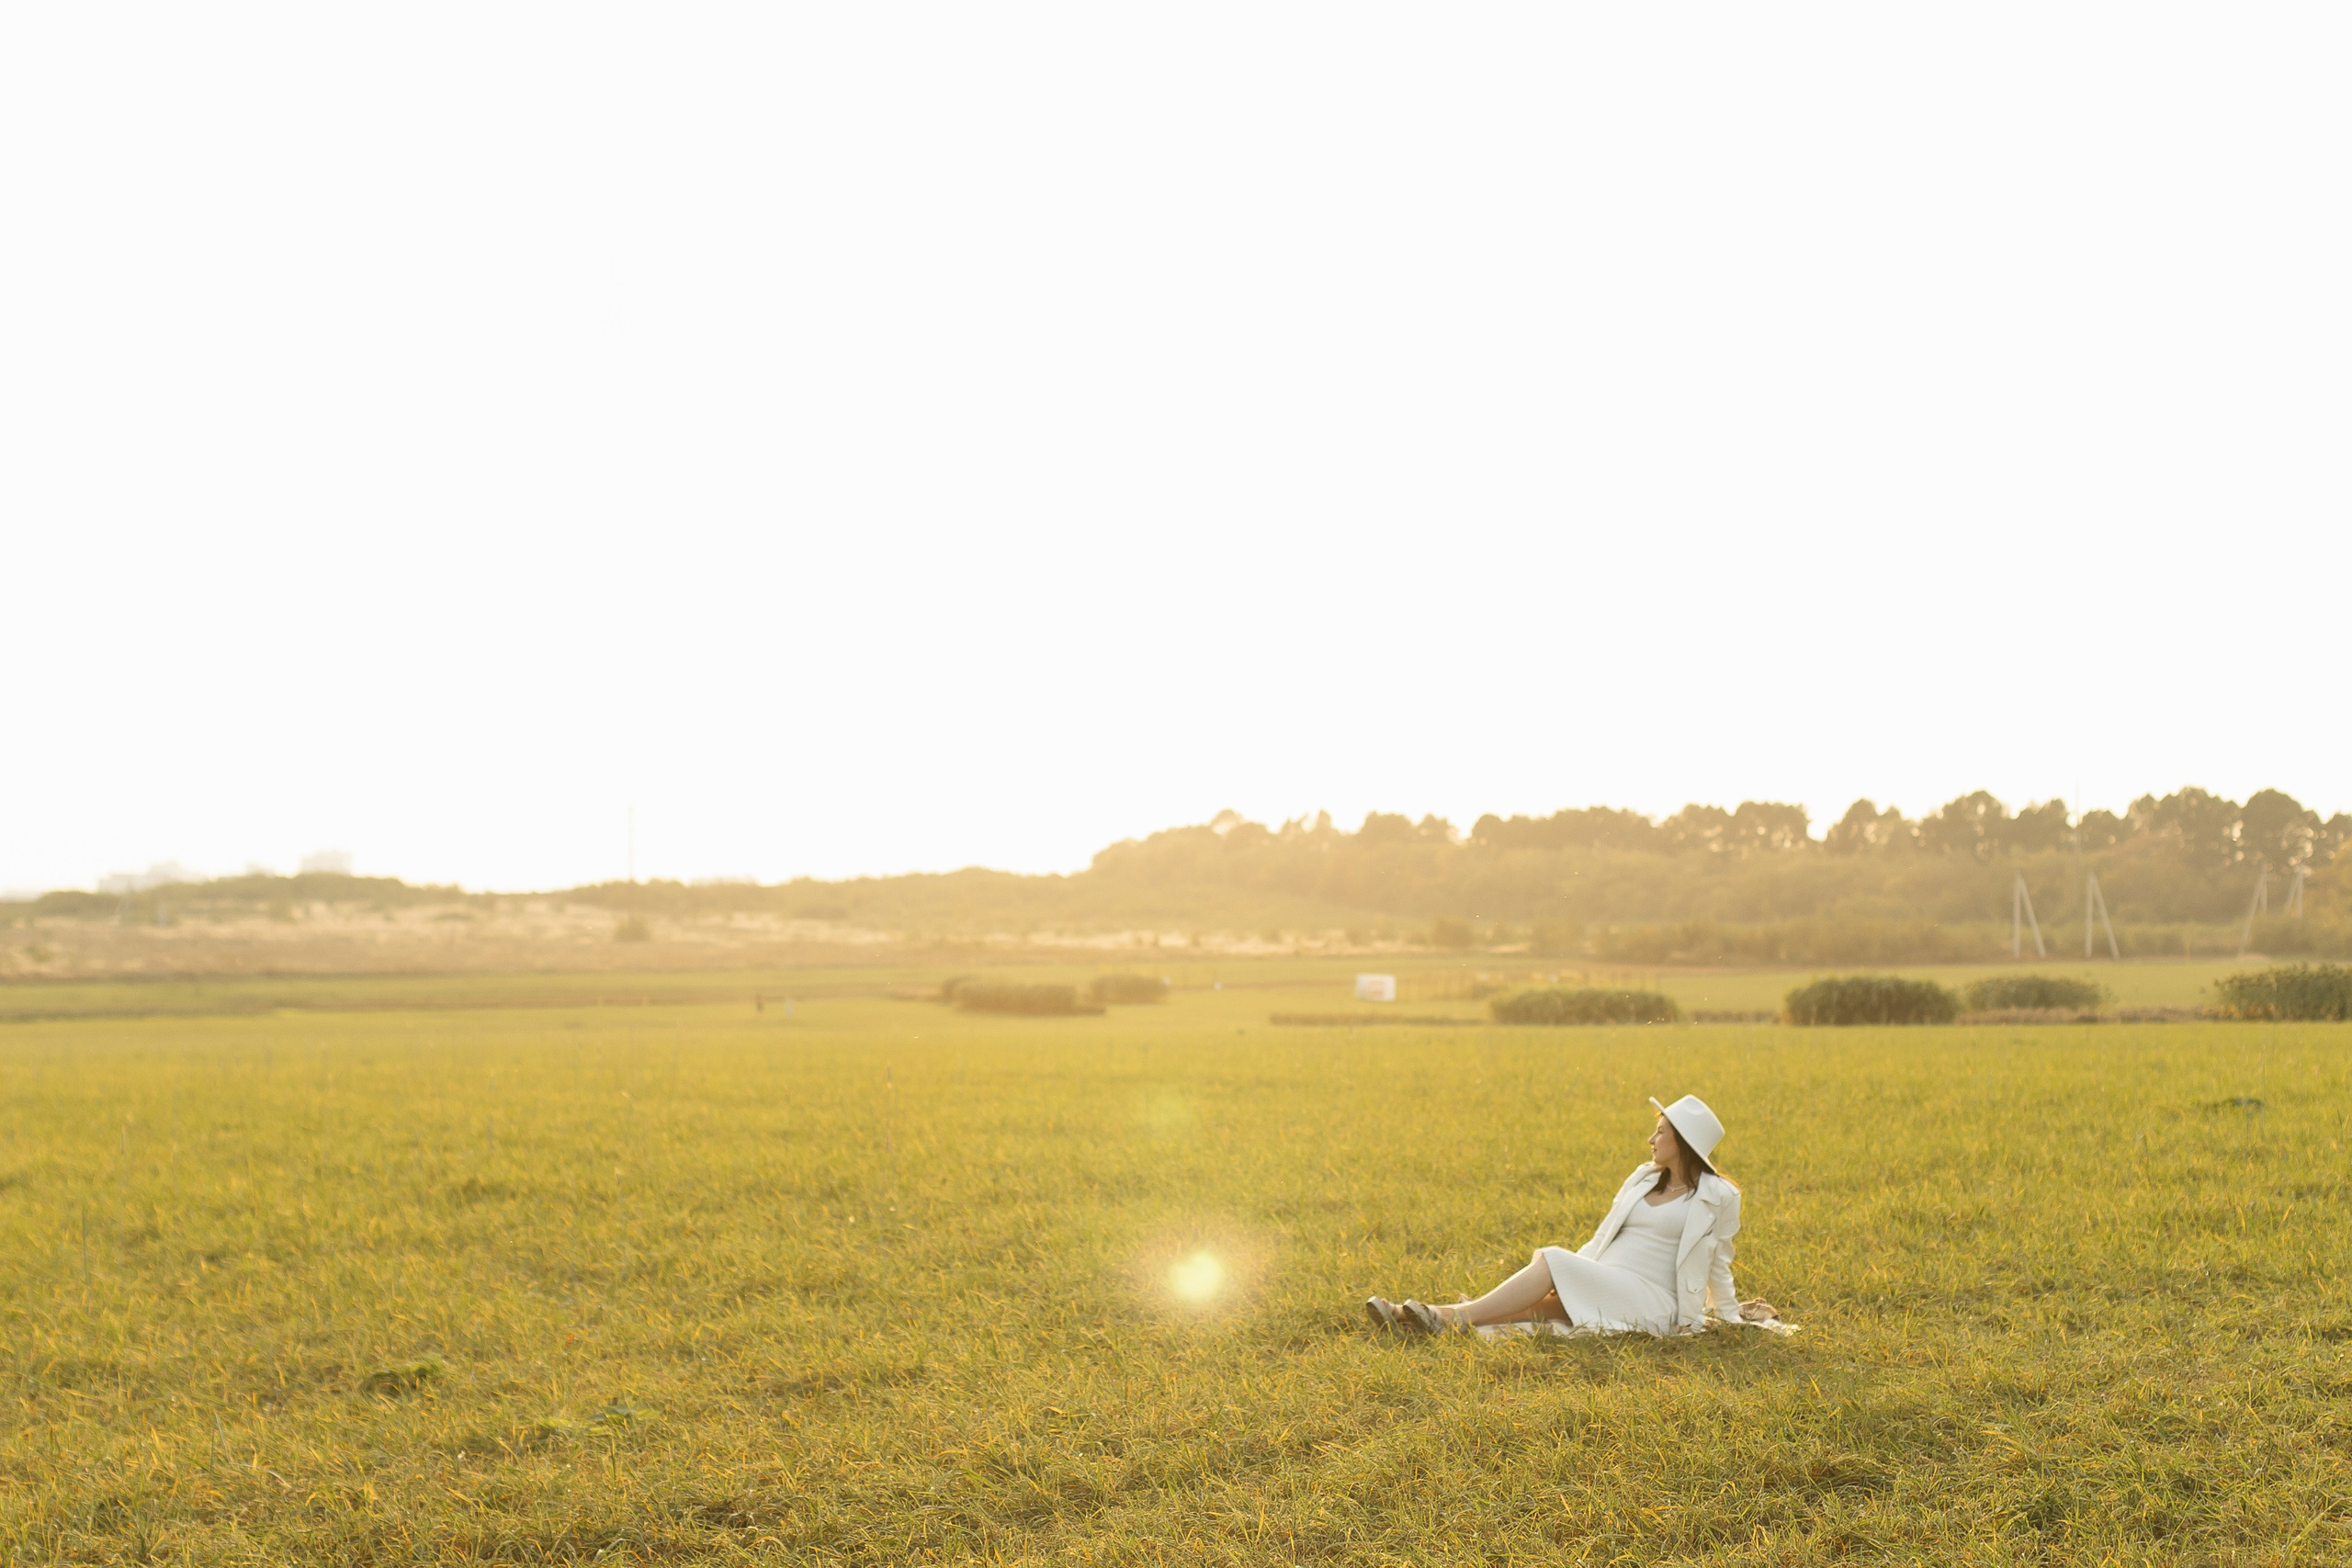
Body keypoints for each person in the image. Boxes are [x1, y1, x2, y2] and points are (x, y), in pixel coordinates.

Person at [1367, 1095, 1770, 1337]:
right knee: (1538, 1305)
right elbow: (1602, 1237)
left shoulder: (1718, 1197)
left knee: (1554, 1261)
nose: (1651, 1139)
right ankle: (1415, 1318)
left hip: (1654, 1300)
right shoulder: (1643, 1179)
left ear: (1682, 1142)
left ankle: (1442, 1317)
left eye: (1661, 1132)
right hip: (1609, 1280)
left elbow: (1720, 1264)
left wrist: (1730, 1317)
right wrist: (1573, 1271)